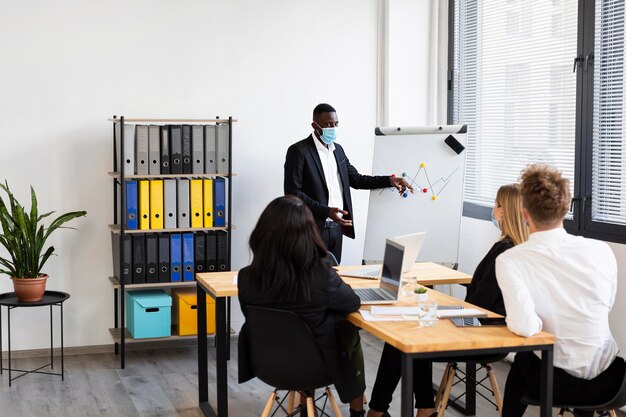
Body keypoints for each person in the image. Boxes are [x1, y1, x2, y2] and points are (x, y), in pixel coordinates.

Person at [367, 184, 529, 417]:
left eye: (495, 205)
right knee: (412, 333)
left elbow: (478, 304)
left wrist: (439, 307)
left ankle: (381, 411)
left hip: (484, 333)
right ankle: (418, 408)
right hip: (488, 326)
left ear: (503, 211)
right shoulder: (517, 247)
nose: (493, 210)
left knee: (406, 338)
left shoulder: (503, 251)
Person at [495, 164, 624, 417]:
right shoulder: (601, 250)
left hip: (555, 382)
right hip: (611, 380)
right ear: (566, 208)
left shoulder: (511, 259)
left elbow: (526, 327)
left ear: (524, 213)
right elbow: (604, 305)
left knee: (523, 361)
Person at [237, 195, 368, 417]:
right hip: (318, 368)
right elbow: (352, 303)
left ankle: (308, 402)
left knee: (306, 332)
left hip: (266, 366)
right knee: (348, 331)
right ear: (308, 233)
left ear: (263, 233)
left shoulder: (246, 277)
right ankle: (357, 412)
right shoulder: (319, 274)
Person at [284, 103, 413, 263]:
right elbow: (292, 193)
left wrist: (388, 180)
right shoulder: (299, 151)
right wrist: (326, 211)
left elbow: (357, 179)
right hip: (311, 228)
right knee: (310, 278)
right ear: (314, 125)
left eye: (335, 124)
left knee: (334, 277)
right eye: (328, 124)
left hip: (337, 228)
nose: (333, 128)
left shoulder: (338, 150)